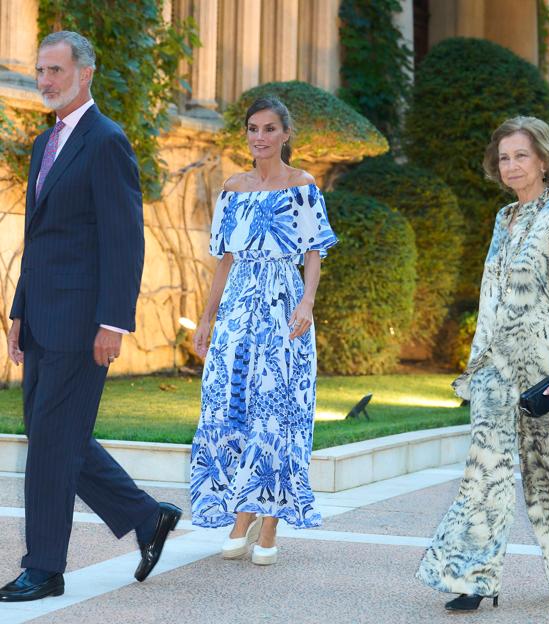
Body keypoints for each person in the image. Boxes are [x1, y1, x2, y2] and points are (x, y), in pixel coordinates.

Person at [1, 31, 181, 603]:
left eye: (55, 70)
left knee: (52, 445)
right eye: (41, 71)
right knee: (53, 434)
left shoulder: (107, 141)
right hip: (42, 317)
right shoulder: (42, 144)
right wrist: (19, 312)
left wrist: (113, 323)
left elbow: (125, 242)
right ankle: (146, 517)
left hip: (83, 325)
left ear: (85, 74)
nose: (45, 81)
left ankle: (44, 567)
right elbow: (39, 238)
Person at [417, 116, 549, 611]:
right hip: (497, 370)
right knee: (484, 471)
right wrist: (478, 365)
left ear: (544, 160)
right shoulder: (504, 219)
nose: (511, 165)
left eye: (521, 156)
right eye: (504, 157)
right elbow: (491, 299)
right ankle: (471, 576)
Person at [190, 96, 337, 565]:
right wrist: (208, 318)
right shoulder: (233, 188)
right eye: (253, 128)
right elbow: (223, 260)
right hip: (238, 307)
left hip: (282, 305)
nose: (260, 137)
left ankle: (268, 518)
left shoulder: (302, 186)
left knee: (276, 406)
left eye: (270, 129)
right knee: (229, 403)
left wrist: (307, 302)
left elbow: (313, 250)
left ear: (286, 134)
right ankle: (241, 510)